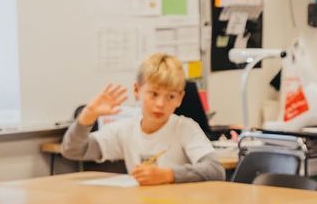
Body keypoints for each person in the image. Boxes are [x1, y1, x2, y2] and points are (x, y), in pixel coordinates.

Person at [59, 55, 225, 184]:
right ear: (137, 90)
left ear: (180, 98)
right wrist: (87, 117)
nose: (160, 104)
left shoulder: (184, 127)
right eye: (153, 94)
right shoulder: (125, 129)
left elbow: (215, 170)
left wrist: (168, 175)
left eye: (171, 96)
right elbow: (73, 150)